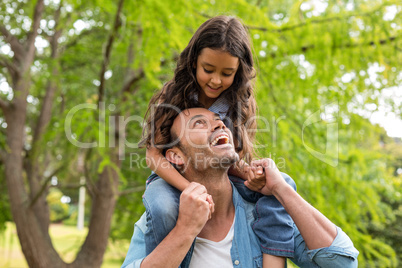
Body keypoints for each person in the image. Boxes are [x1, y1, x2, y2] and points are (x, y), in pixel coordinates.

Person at [140, 15, 295, 265]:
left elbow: (230, 157)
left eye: (227, 73)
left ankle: (272, 258)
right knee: (164, 207)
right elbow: (153, 155)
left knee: (280, 184)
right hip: (173, 176)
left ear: (239, 71)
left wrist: (249, 175)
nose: (215, 80)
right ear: (193, 62)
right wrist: (188, 188)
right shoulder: (174, 95)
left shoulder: (239, 104)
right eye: (208, 69)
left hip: (221, 177)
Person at [122, 108, 359, 268]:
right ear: (175, 156)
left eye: (219, 121)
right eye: (199, 123)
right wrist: (185, 230)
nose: (218, 125)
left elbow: (342, 262)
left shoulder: (262, 213)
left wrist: (282, 190)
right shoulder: (159, 217)